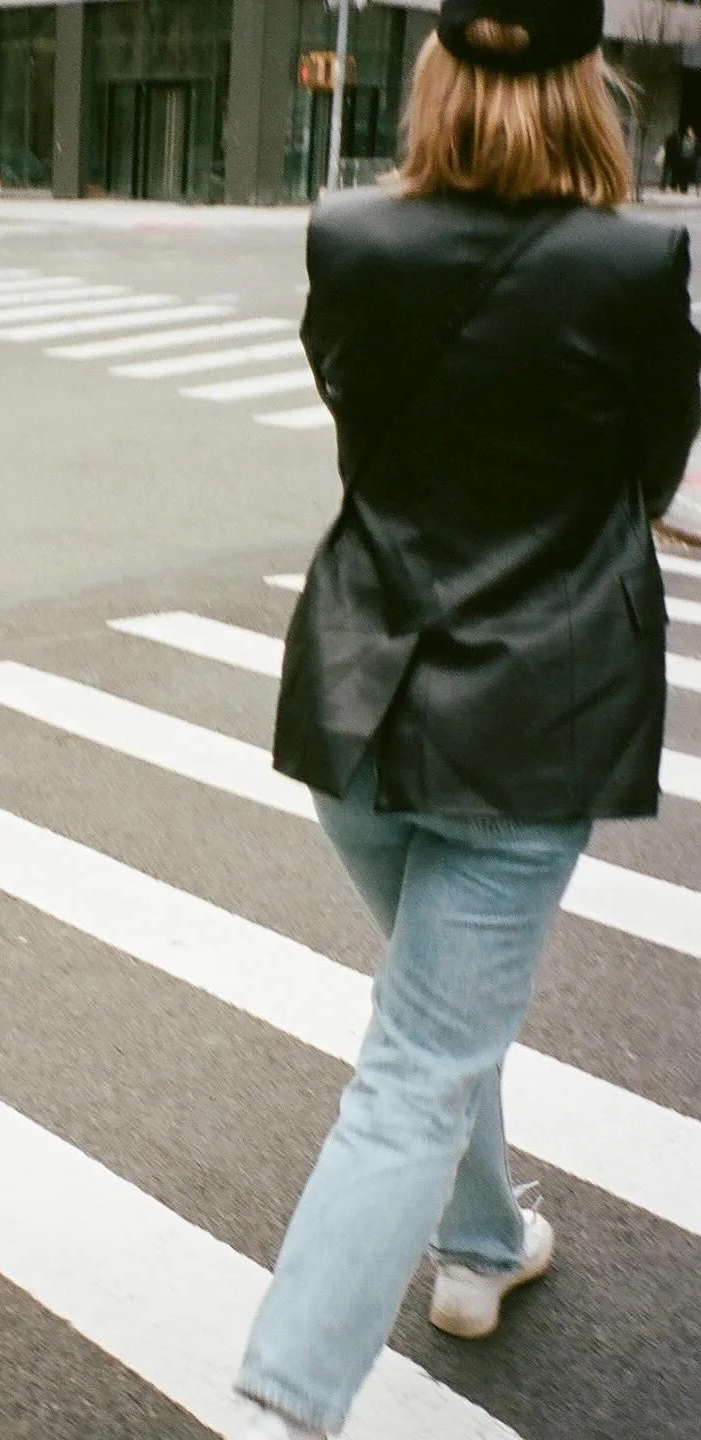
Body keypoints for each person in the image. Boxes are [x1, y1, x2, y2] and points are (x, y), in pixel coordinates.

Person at [231, 2, 701, 1437]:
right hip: (532, 717)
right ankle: (286, 1402)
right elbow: (652, 473)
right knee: (423, 1057)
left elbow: (355, 418)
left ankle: (484, 1247)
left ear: (433, 80)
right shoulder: (635, 266)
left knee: (430, 1016)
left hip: (363, 693)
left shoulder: (349, 236)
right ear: (589, 96)